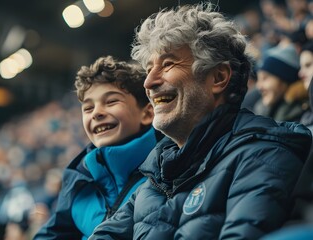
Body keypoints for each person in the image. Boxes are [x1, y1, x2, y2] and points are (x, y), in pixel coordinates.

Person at [89, 3, 312, 239]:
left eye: (168, 64)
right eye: (148, 69)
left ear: (218, 77)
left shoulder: (264, 155)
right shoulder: (154, 177)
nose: (148, 83)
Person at [33, 56, 163, 239]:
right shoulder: (79, 180)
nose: (96, 113)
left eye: (111, 102)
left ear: (147, 113)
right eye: (88, 108)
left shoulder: (167, 168)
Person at [253, 44, 309, 122]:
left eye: (265, 78)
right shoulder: (260, 108)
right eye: (258, 79)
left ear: (284, 80)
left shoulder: (302, 113)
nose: (259, 86)